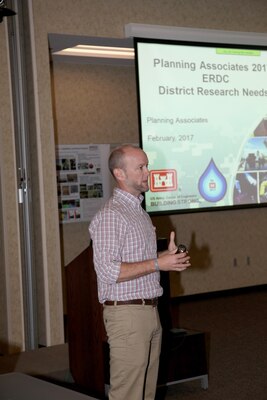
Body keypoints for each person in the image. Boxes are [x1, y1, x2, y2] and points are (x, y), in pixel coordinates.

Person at [89, 144, 190, 400]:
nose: (148, 172)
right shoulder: (112, 215)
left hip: (148, 312)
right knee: (127, 395)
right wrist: (157, 264)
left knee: (144, 394)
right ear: (119, 174)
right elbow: (108, 270)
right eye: (140, 167)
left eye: (147, 165)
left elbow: (135, 261)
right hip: (127, 315)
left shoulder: (138, 212)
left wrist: (163, 257)